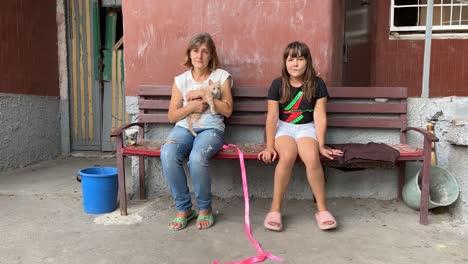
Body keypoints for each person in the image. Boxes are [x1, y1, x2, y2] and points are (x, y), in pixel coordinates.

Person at [258, 41, 343, 231]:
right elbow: (272, 116)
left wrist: (321, 144)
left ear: (308, 62)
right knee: (287, 157)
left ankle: (322, 210)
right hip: (284, 128)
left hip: (307, 128)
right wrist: (269, 145)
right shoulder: (277, 84)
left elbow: (319, 115)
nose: (294, 64)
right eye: (290, 59)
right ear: (284, 62)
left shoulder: (317, 84)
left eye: (300, 59)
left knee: (312, 159)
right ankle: (275, 210)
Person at [160, 33, 233, 231]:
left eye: (205, 51)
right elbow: (172, 116)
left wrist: (202, 93)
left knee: (197, 157)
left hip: (211, 129)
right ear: (189, 54)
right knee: (167, 153)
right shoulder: (181, 80)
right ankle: (184, 209)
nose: (199, 55)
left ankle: (204, 209)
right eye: (195, 50)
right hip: (185, 128)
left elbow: (227, 110)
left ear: (211, 56)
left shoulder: (221, 77)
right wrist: (191, 108)